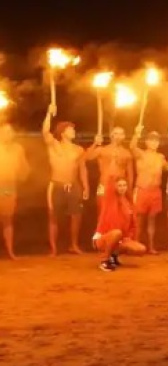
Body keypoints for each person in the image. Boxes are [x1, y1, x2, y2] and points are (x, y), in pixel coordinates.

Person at [42, 104, 89, 256]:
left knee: (76, 215)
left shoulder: (78, 149)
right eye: (70, 130)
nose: (73, 132)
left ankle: (73, 245)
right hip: (56, 184)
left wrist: (86, 186)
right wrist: (49, 113)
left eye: (73, 130)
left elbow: (82, 169)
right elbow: (45, 131)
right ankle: (53, 248)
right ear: (62, 133)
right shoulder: (54, 145)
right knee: (53, 216)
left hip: (72, 185)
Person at [92, 177, 146, 272]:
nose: (122, 187)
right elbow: (108, 185)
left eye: (124, 185)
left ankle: (113, 256)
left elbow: (133, 225)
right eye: (119, 185)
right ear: (115, 187)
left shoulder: (128, 202)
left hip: (119, 238)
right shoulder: (109, 199)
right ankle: (104, 261)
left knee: (140, 249)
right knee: (117, 233)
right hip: (103, 238)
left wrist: (129, 237)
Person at [129, 127, 166, 254]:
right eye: (151, 140)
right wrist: (136, 133)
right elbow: (132, 147)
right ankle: (136, 246)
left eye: (156, 140)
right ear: (146, 142)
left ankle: (151, 247)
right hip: (142, 190)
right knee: (139, 220)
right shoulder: (141, 154)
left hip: (155, 191)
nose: (154, 143)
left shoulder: (160, 157)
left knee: (152, 219)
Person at [85, 127, 134, 210]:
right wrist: (95, 143)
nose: (118, 136)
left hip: (119, 185)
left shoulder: (126, 153)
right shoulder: (102, 150)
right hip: (103, 183)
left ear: (124, 137)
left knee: (118, 209)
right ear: (111, 136)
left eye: (121, 134)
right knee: (102, 206)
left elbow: (130, 174)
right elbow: (87, 157)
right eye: (116, 133)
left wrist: (129, 189)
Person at [0, 123, 30, 259]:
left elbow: (24, 168)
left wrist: (22, 174)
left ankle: (10, 251)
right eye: (5, 131)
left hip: (9, 187)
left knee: (7, 219)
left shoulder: (18, 149)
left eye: (10, 132)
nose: (9, 134)